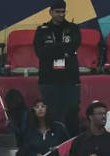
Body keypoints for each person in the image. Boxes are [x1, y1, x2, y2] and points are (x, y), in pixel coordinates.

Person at [35, 0, 83, 135]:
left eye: (63, 12)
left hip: (70, 78)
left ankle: (73, 143)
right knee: (51, 113)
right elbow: (40, 52)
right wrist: (64, 51)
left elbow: (74, 46)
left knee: (72, 113)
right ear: (50, 12)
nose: (61, 14)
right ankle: (52, 141)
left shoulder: (73, 28)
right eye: (57, 12)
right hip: (48, 79)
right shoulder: (41, 30)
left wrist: (51, 50)